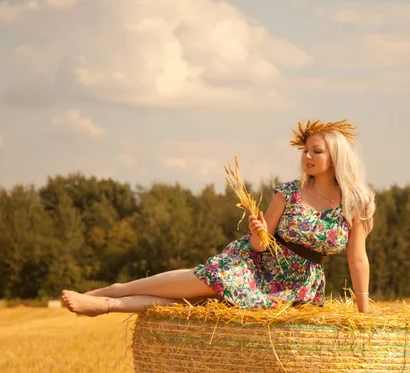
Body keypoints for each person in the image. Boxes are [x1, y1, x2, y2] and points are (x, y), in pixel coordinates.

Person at [62, 119, 376, 316]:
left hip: (297, 287)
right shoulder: (290, 192)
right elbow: (259, 243)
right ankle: (109, 294)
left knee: (192, 306)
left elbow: (357, 259)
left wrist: (363, 311)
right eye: (305, 150)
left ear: (335, 157)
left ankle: (105, 304)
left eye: (316, 151)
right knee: (209, 283)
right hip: (254, 266)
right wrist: (257, 230)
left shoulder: (354, 202)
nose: (307, 156)